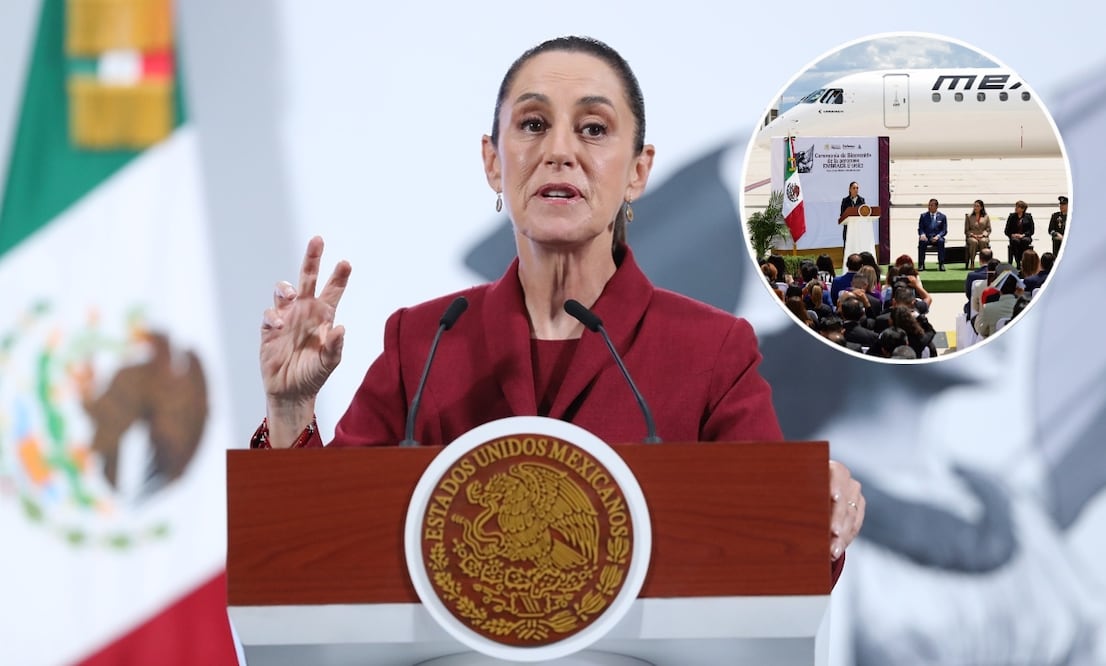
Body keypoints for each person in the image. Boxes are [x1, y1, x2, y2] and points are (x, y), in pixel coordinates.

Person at [252, 36, 863, 567]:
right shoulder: (426, 340)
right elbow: (318, 546)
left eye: (594, 129)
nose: (560, 151)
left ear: (638, 172)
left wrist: (815, 513)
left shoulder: (713, 350)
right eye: (533, 125)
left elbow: (775, 558)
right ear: (493, 162)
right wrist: (290, 408)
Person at [917, 198, 948, 271]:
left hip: (937, 237)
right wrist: (922, 234)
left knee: (941, 241)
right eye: (929, 205)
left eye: (931, 205)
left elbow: (944, 230)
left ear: (936, 207)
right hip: (927, 237)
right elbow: (920, 228)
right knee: (922, 242)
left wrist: (938, 236)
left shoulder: (942, 217)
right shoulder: (923, 216)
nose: (929, 207)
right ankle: (921, 264)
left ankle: (941, 264)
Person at [1004, 200, 1035, 270]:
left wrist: (1023, 235)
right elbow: (1007, 230)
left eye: (1018, 207)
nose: (1016, 208)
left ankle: (1023, 261)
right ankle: (1018, 262)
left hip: (1025, 237)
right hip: (1014, 237)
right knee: (1015, 242)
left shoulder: (1028, 217)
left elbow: (1031, 230)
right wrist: (1013, 235)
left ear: (1023, 209)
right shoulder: (1012, 217)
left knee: (1025, 241)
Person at [964, 199, 992, 269]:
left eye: (977, 206)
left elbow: (988, 229)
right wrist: (973, 235)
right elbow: (966, 230)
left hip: (982, 236)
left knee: (983, 241)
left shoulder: (986, 217)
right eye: (974, 206)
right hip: (972, 236)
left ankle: (984, 263)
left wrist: (983, 235)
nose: (975, 208)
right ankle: (972, 262)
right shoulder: (969, 216)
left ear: (981, 207)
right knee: (974, 242)